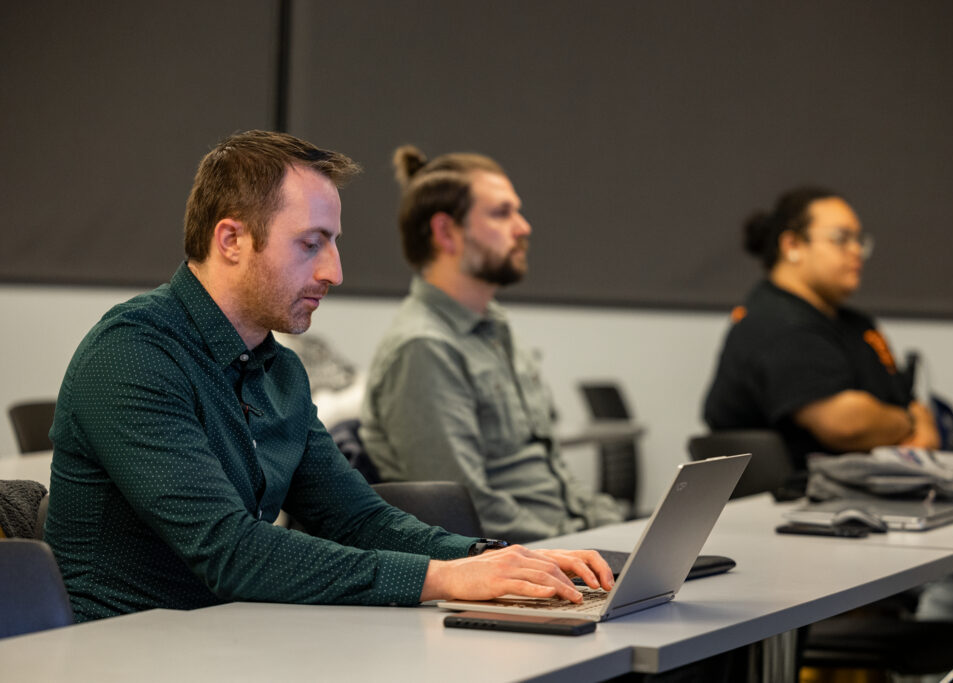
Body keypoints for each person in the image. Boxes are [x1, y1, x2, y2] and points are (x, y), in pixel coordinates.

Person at [44, 130, 611, 622]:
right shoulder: (132, 355)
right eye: (311, 243)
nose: (334, 271)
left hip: (233, 637)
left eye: (333, 243)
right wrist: (441, 578)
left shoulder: (279, 370)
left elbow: (356, 518)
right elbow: (229, 551)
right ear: (231, 240)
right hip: (126, 651)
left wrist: (491, 559)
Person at [359, 145, 624, 544]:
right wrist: (577, 545)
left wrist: (613, 526)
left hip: (565, 543)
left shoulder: (495, 329)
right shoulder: (424, 348)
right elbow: (464, 513)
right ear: (445, 232)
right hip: (527, 557)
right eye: (502, 213)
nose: (523, 227)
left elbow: (552, 469)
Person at [703, 186, 941, 470]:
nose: (856, 251)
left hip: (875, 487)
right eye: (841, 239)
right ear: (792, 245)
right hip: (792, 493)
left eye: (858, 240)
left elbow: (908, 401)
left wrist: (917, 426)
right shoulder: (776, 324)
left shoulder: (857, 324)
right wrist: (911, 422)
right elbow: (847, 425)